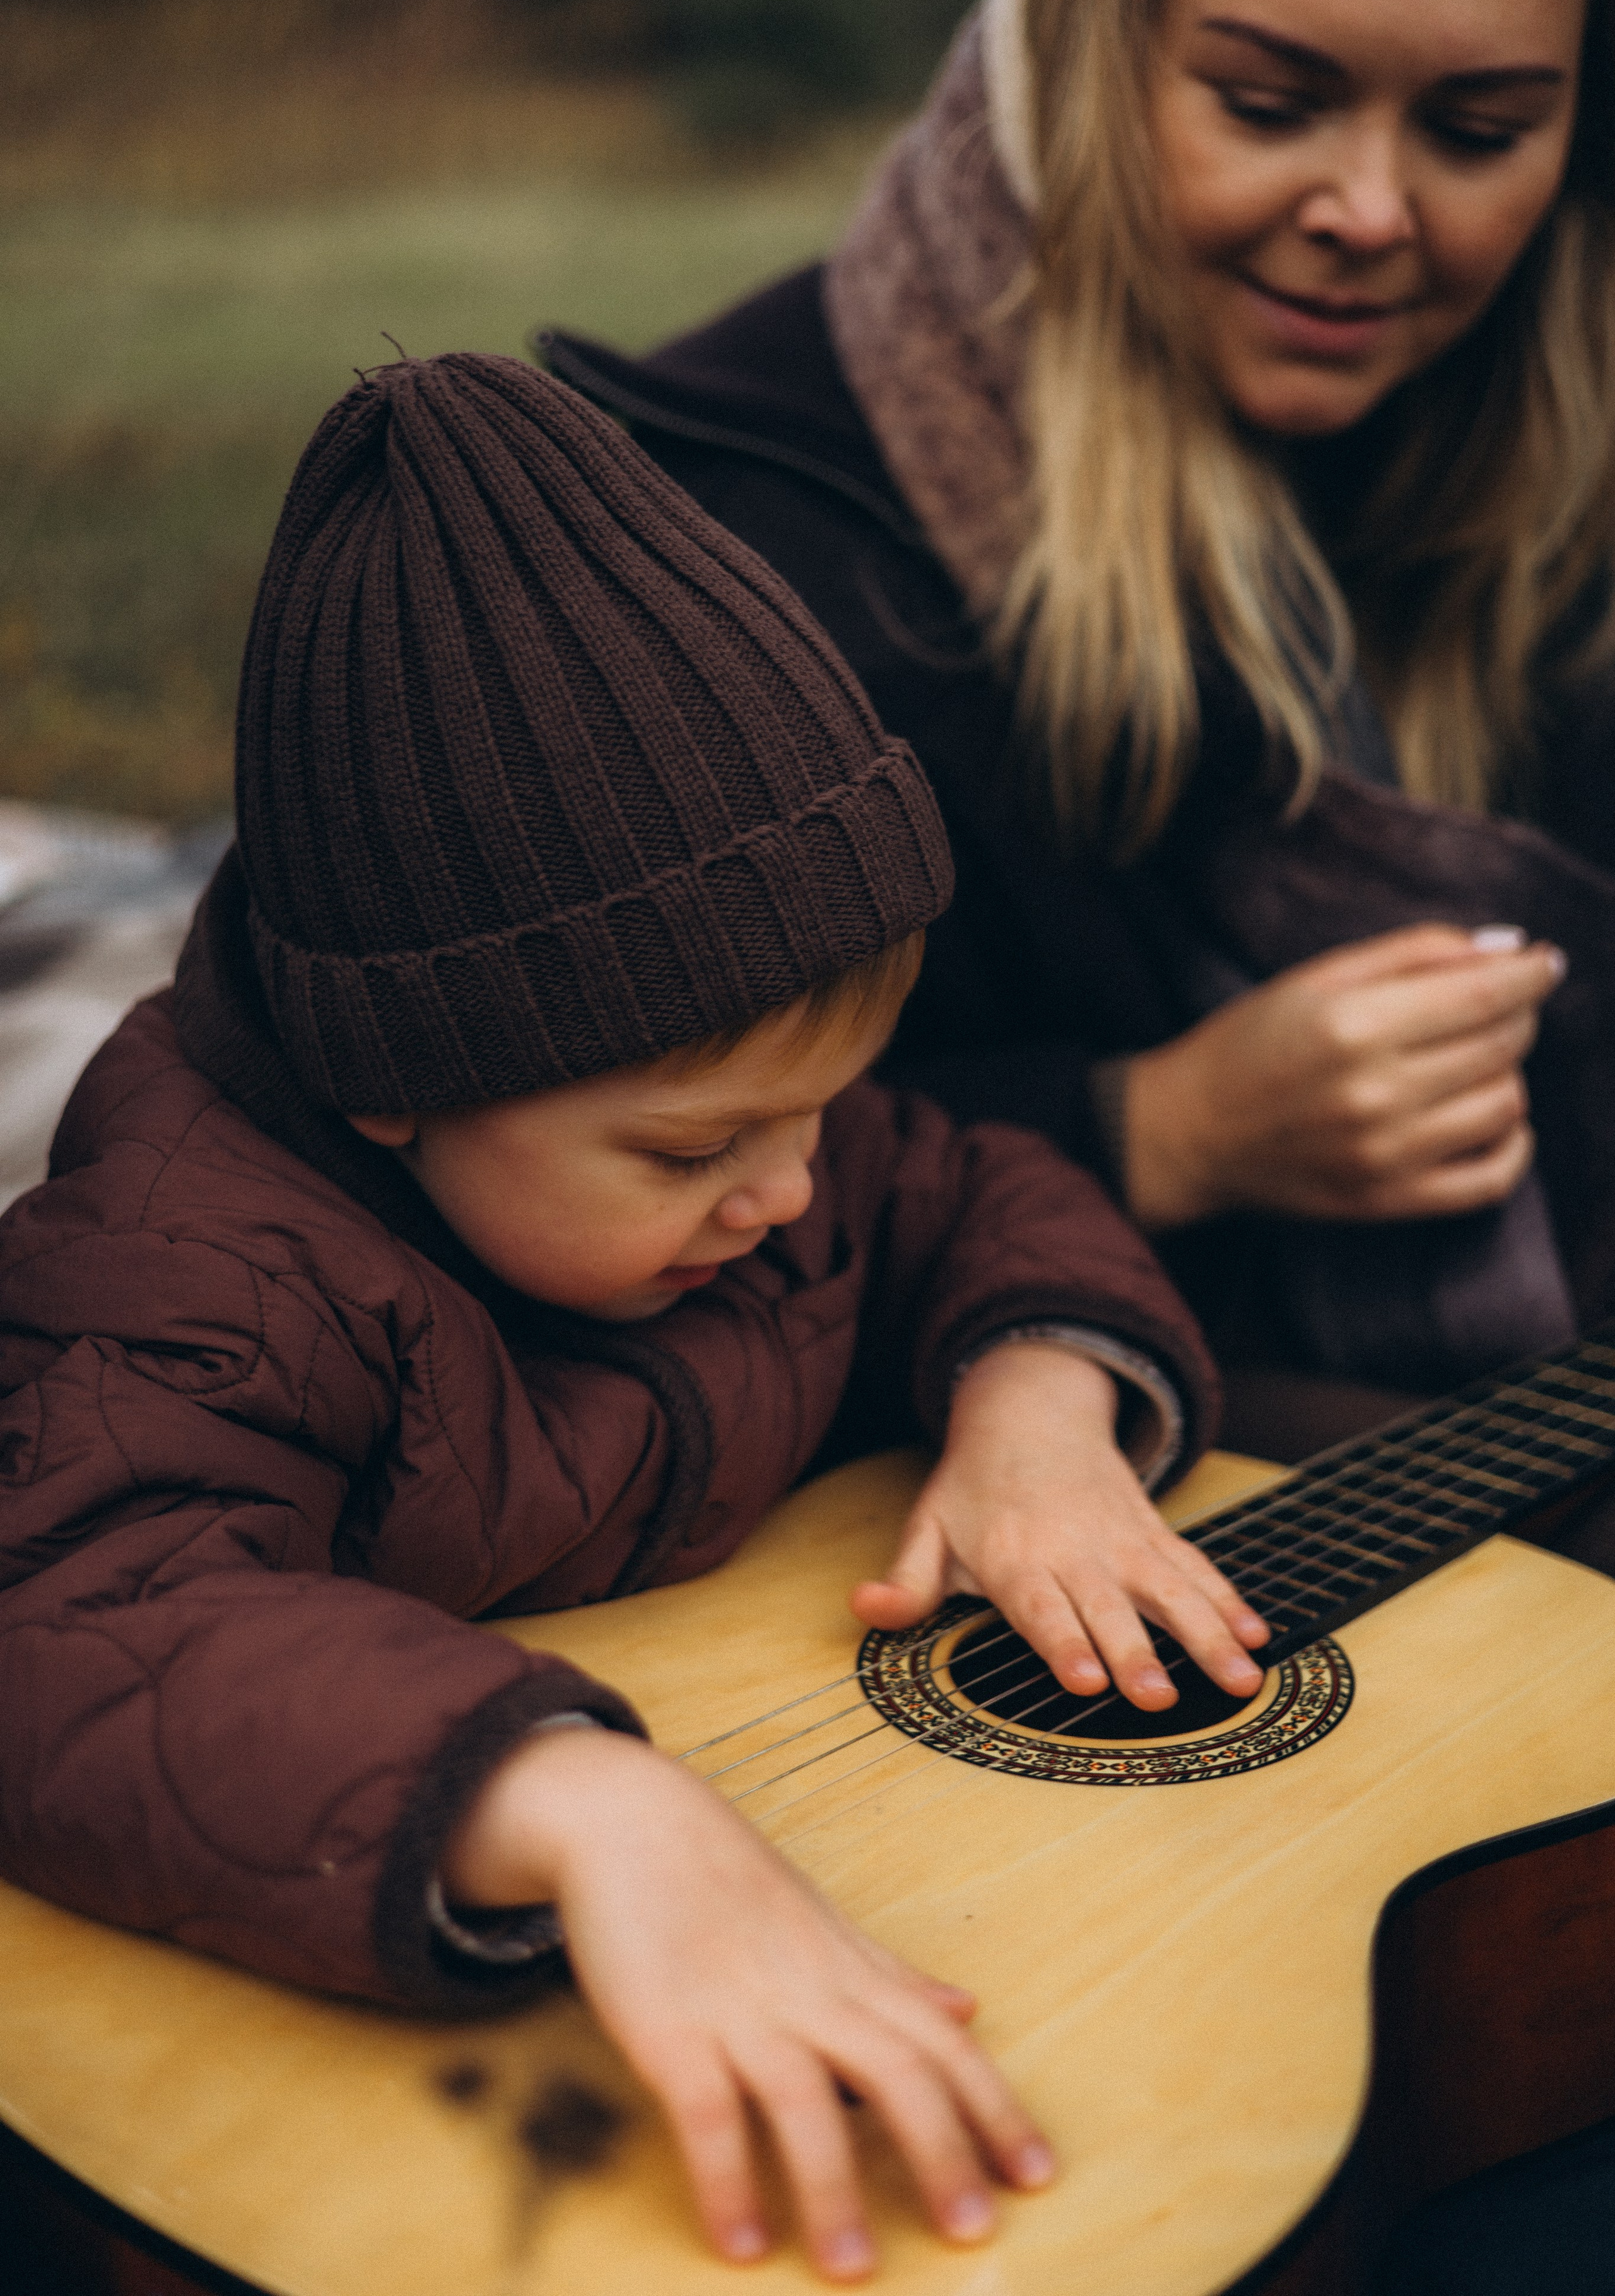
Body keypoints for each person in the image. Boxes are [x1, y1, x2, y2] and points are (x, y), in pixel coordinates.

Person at [0, 353, 1258, 2282]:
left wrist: (1039, 1405)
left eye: (821, 1109)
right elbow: (76, 1624)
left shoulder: (765, 1163)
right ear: (395, 1079)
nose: (790, 1194)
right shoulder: (201, 1271)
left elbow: (970, 1186)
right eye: (696, 1150)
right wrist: (579, 1806)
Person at [545, 0, 1615, 1464]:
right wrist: (1161, 1127)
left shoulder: (1549, 485)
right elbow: (598, 1180)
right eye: (1266, 104)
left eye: (1478, 134)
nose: (1370, 212)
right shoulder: (718, 542)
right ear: (1083, 52)